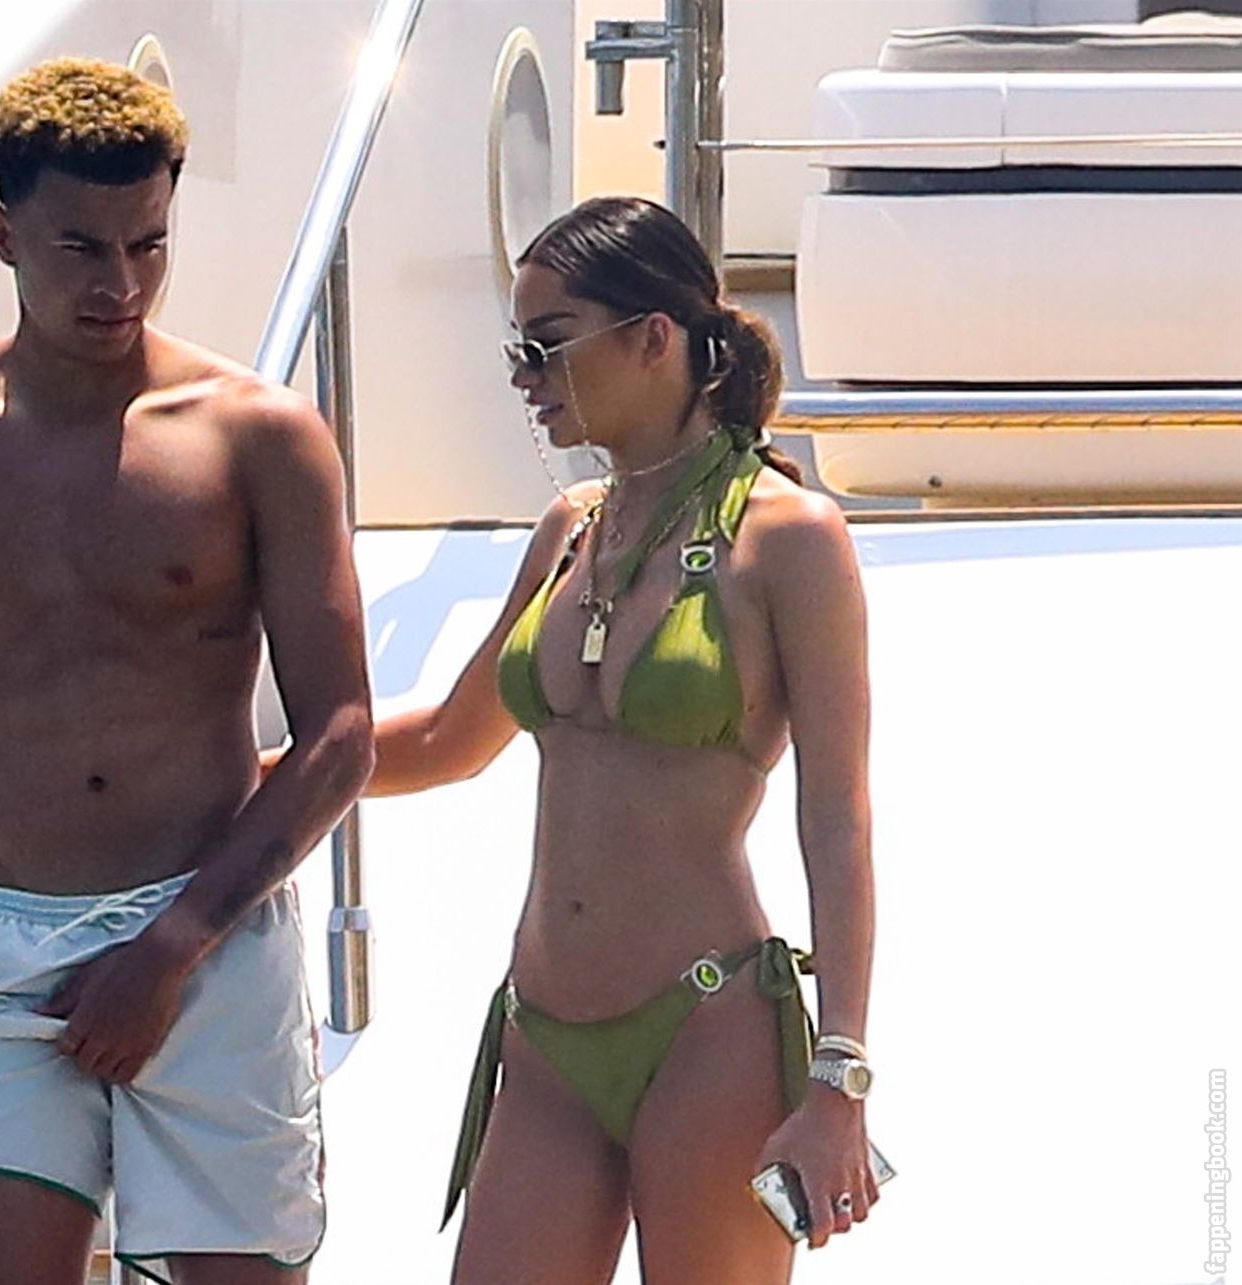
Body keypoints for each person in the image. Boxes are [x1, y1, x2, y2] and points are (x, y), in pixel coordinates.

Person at [0, 58, 374, 1285]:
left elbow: (341, 735)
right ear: (3, 234)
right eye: (80, 247)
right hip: (3, 943)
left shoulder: (261, 437)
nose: (118, 283)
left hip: (209, 938)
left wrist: (170, 947)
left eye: (147, 244)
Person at [369, 195, 877, 1282]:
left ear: (653, 337)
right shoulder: (572, 528)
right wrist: (244, 776)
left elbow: (836, 815)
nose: (525, 376)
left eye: (548, 344)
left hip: (709, 1023)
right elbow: (450, 739)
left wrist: (839, 1075)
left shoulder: (789, 536)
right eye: (517, 349)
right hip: (543, 1029)